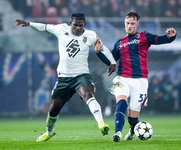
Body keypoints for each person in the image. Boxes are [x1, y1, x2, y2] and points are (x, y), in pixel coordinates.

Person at [15, 12, 116, 142]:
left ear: (84, 24)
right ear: (70, 24)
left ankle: (101, 124)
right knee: (53, 109)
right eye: (75, 25)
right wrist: (29, 24)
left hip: (81, 75)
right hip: (63, 78)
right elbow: (44, 27)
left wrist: (112, 62)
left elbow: (103, 49)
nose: (78, 28)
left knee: (88, 95)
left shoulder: (91, 35)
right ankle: (49, 132)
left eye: (80, 25)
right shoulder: (61, 29)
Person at [96, 11, 176, 142]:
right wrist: (98, 52)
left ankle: (132, 131)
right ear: (124, 23)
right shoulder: (119, 42)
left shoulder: (144, 36)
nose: (129, 26)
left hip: (140, 80)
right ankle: (117, 133)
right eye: (127, 23)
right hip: (122, 78)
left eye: (132, 23)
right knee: (121, 103)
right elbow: (111, 61)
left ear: (137, 24)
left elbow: (161, 39)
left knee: (133, 119)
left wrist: (171, 37)